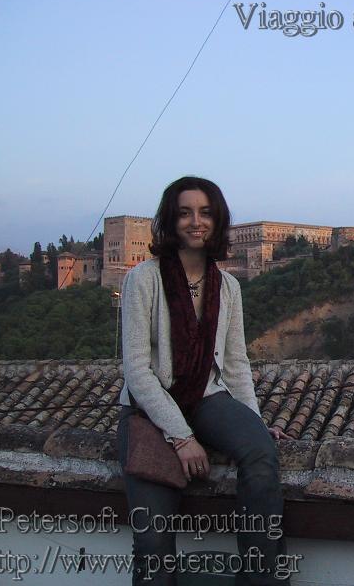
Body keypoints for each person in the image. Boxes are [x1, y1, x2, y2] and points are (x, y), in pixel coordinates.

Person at [117, 176, 292, 585]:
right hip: (149, 410)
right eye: (185, 213)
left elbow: (235, 363)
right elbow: (137, 370)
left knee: (261, 452)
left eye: (205, 213)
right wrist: (182, 437)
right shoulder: (143, 279)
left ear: (217, 220)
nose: (196, 222)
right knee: (153, 542)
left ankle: (261, 578)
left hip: (207, 399)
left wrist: (252, 420)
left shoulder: (228, 287)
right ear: (171, 220)